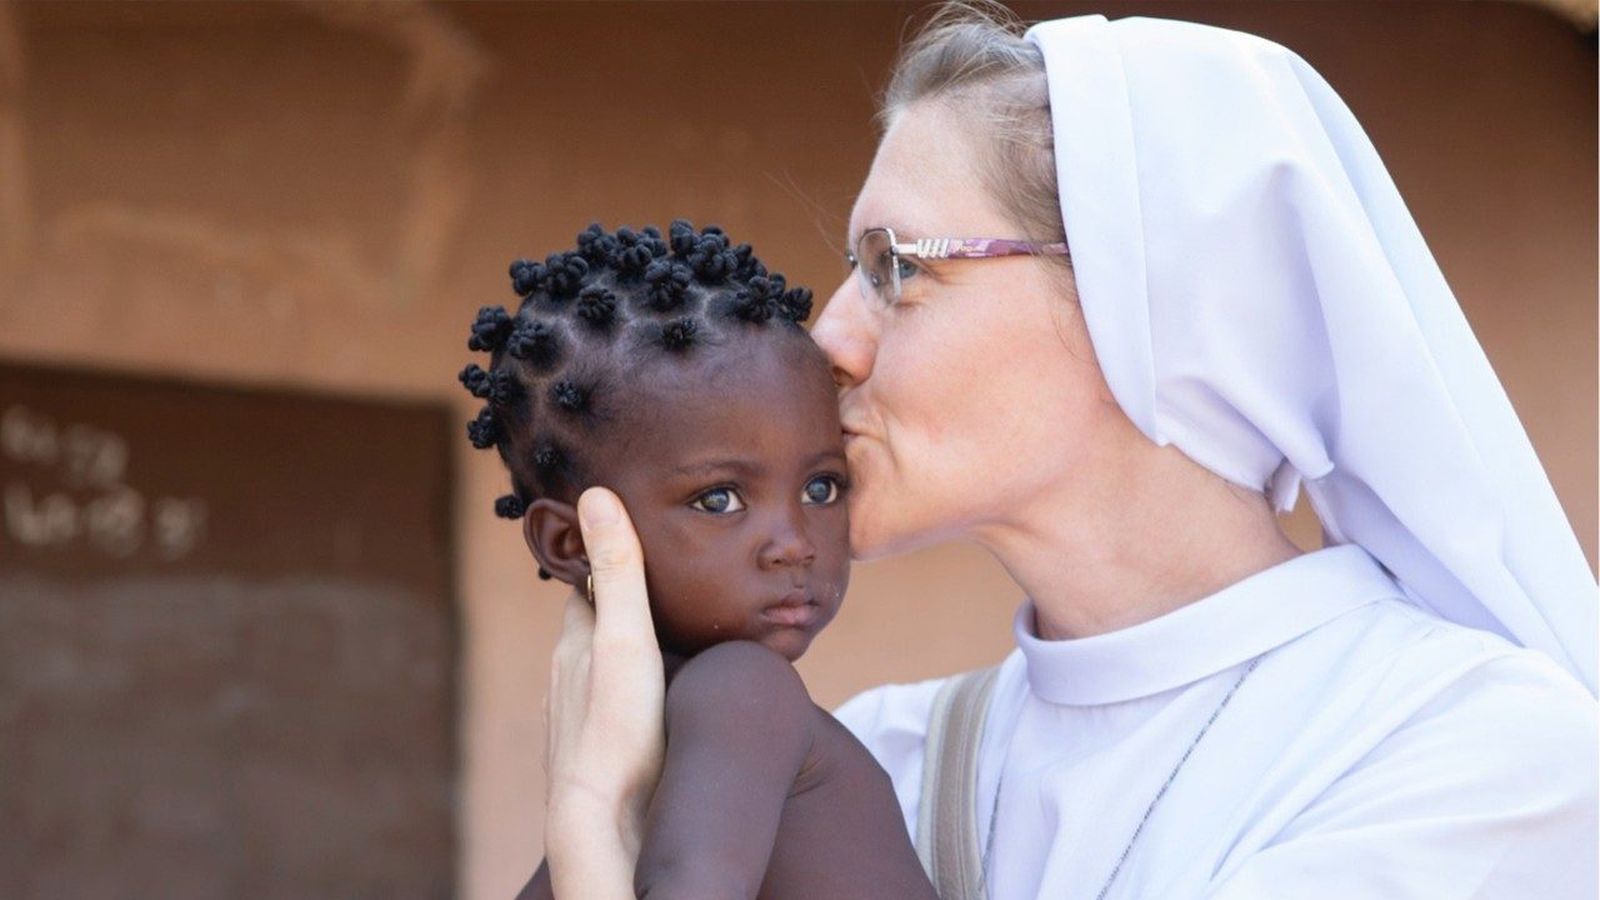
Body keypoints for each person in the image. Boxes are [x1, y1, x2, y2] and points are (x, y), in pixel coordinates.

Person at [533, 7, 1599, 899]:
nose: (829, 340)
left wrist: (593, 833)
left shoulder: (1475, 757)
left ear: (1148, 293)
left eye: (896, 268)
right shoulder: (883, 758)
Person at [461, 222, 939, 899]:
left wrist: (586, 814)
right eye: (719, 500)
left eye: (821, 488)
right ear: (572, 543)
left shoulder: (740, 689)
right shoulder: (670, 717)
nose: (795, 542)